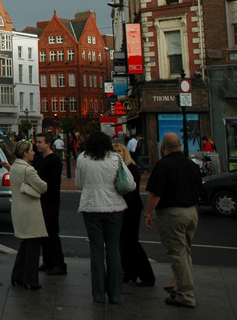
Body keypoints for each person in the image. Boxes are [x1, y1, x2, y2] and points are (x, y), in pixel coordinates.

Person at [144, 132, 202, 308]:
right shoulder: (191, 165)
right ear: (181, 146)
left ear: (163, 147)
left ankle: (186, 294)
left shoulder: (164, 165)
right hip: (191, 212)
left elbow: (155, 193)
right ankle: (179, 285)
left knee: (177, 254)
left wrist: (148, 214)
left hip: (173, 213)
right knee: (185, 252)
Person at [76, 131, 134, 304]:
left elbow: (79, 183)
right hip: (113, 206)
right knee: (113, 250)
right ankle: (115, 293)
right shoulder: (116, 159)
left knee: (96, 251)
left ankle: (99, 293)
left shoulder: (82, 159)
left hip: (91, 206)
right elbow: (129, 183)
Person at [113, 142, 154, 287]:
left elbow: (132, 190)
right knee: (123, 242)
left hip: (130, 208)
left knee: (131, 241)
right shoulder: (116, 168)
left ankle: (146, 275)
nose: (118, 153)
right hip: (121, 208)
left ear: (125, 153)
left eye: (120, 151)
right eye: (115, 151)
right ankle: (130, 272)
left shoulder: (131, 168)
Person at [10, 140, 48, 290]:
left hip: (19, 209)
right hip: (30, 210)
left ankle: (17, 275)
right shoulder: (28, 170)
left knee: (25, 244)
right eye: (31, 151)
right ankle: (31, 279)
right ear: (25, 153)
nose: (33, 153)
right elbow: (43, 187)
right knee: (33, 246)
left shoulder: (14, 167)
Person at [33, 133, 67, 275]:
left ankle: (59, 263)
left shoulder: (54, 161)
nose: (37, 144)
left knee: (52, 232)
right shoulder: (39, 159)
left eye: (40, 142)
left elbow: (53, 184)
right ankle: (48, 261)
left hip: (50, 201)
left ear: (48, 144)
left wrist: (46, 196)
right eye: (37, 142)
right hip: (40, 199)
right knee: (43, 233)